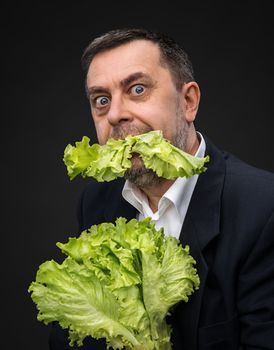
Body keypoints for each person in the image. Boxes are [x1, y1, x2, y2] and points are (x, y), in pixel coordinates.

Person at [49, 28, 274, 350]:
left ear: (188, 101)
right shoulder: (98, 201)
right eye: (101, 100)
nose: (115, 114)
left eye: (137, 89)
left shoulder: (264, 209)